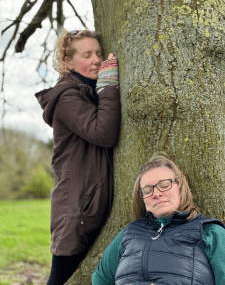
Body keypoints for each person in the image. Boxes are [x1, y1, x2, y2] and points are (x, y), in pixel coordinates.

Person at [35, 29, 121, 285]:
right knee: (62, 279)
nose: (96, 59)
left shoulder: (87, 91)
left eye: (98, 53)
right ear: (68, 63)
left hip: (88, 203)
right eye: (87, 55)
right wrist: (109, 85)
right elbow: (103, 133)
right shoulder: (67, 97)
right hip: (76, 208)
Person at [92, 152, 225, 285]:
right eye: (147, 190)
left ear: (181, 187)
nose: (156, 193)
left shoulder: (210, 232)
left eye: (164, 185)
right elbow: (100, 280)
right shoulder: (127, 235)